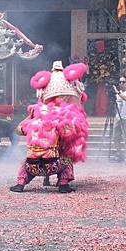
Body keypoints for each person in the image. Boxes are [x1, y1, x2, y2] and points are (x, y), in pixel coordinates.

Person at [9, 61, 89, 194]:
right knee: (67, 160)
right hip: (52, 166)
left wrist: (30, 117)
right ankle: (63, 185)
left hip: (32, 167)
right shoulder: (61, 122)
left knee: (24, 163)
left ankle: (20, 184)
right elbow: (70, 134)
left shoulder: (34, 121)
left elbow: (18, 130)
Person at [112, 76, 126, 162]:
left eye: (123, 82)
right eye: (120, 82)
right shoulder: (118, 93)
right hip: (118, 118)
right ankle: (118, 154)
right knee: (115, 137)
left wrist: (118, 93)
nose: (121, 84)